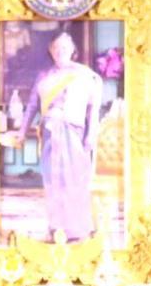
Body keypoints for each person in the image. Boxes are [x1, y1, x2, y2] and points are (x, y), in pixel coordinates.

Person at [21, 31, 104, 241]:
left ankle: (77, 230)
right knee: (53, 181)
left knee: (74, 180)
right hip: (50, 135)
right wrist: (22, 132)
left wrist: (91, 135)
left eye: (64, 48)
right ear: (51, 50)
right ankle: (55, 227)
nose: (60, 52)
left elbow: (93, 109)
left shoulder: (85, 75)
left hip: (74, 134)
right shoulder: (44, 76)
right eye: (56, 48)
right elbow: (32, 106)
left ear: (72, 50)